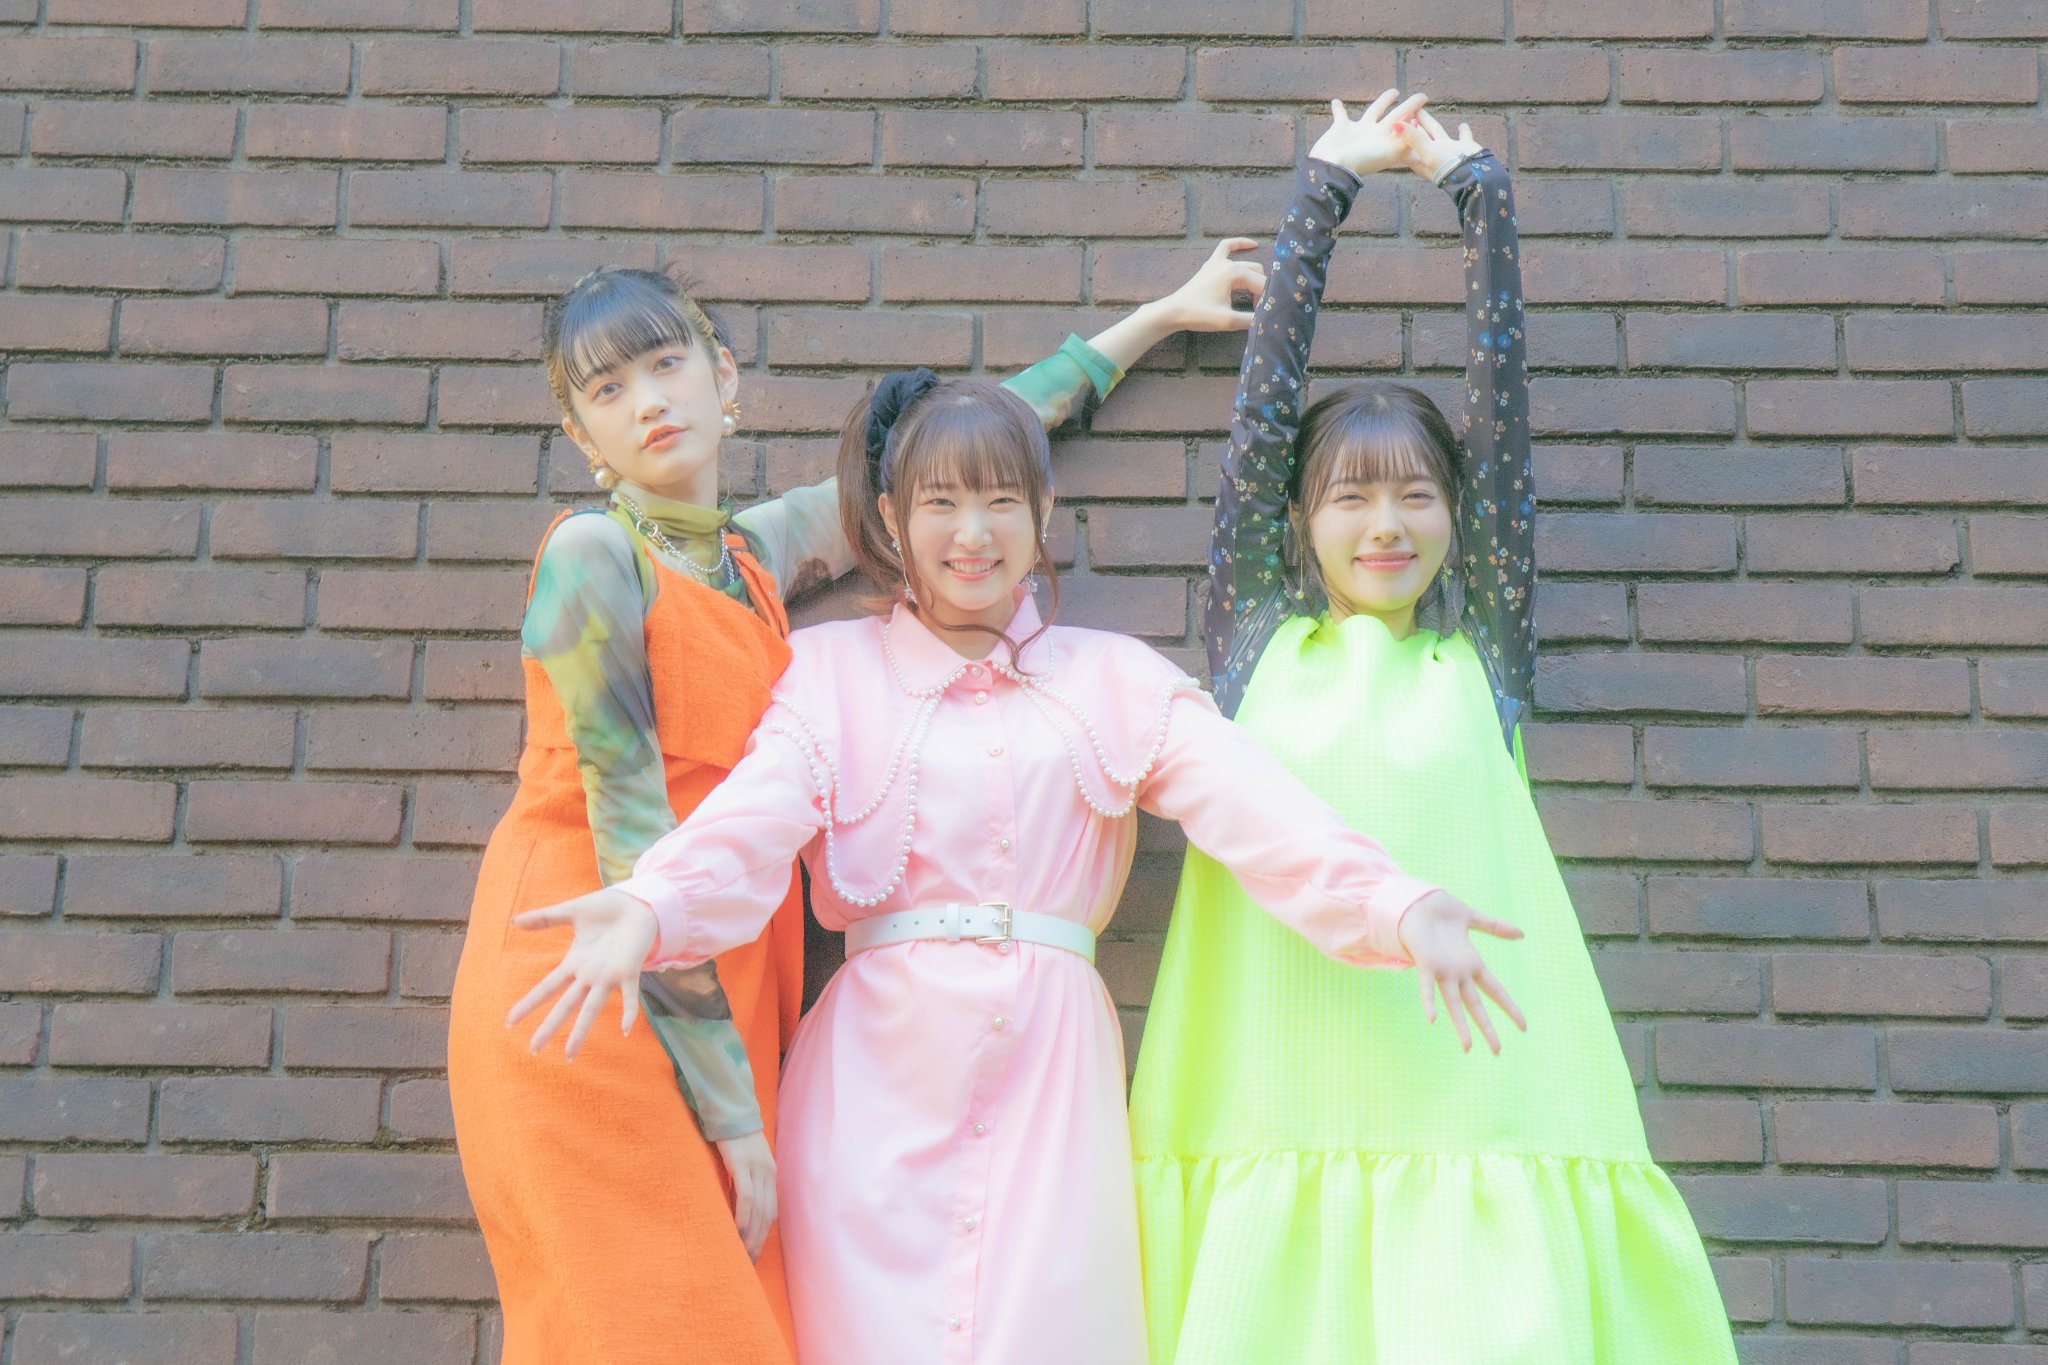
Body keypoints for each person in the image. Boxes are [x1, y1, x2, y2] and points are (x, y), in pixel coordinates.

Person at [502, 297, 1520, 1363]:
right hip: (871, 1098)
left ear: (1042, 512)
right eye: (939, 503)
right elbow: (755, 814)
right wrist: (652, 903)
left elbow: (1255, 807)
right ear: (890, 520)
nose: (972, 534)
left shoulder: (1113, 679)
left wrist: (1395, 906)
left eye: (1000, 501)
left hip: (1052, 1090)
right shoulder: (828, 673)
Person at [447, 251, 1265, 1365]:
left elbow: (957, 458)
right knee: (655, 1325)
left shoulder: (746, 555)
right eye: (606, 389)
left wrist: (1154, 320)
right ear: (580, 434)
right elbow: (634, 836)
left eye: (665, 363)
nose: (646, 401)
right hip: (600, 972)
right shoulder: (593, 556)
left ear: (722, 375)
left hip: (720, 976)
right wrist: (735, 1116)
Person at [1126, 93, 1739, 1363]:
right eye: (1348, 499)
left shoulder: (1481, 657)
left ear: (1454, 520)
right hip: (1273, 1073)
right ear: (1298, 525)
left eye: (1414, 495)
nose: (1385, 525)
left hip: (1475, 1084)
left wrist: (1480, 199)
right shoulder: (1255, 645)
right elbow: (1259, 421)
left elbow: (1500, 427)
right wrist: (1323, 190)